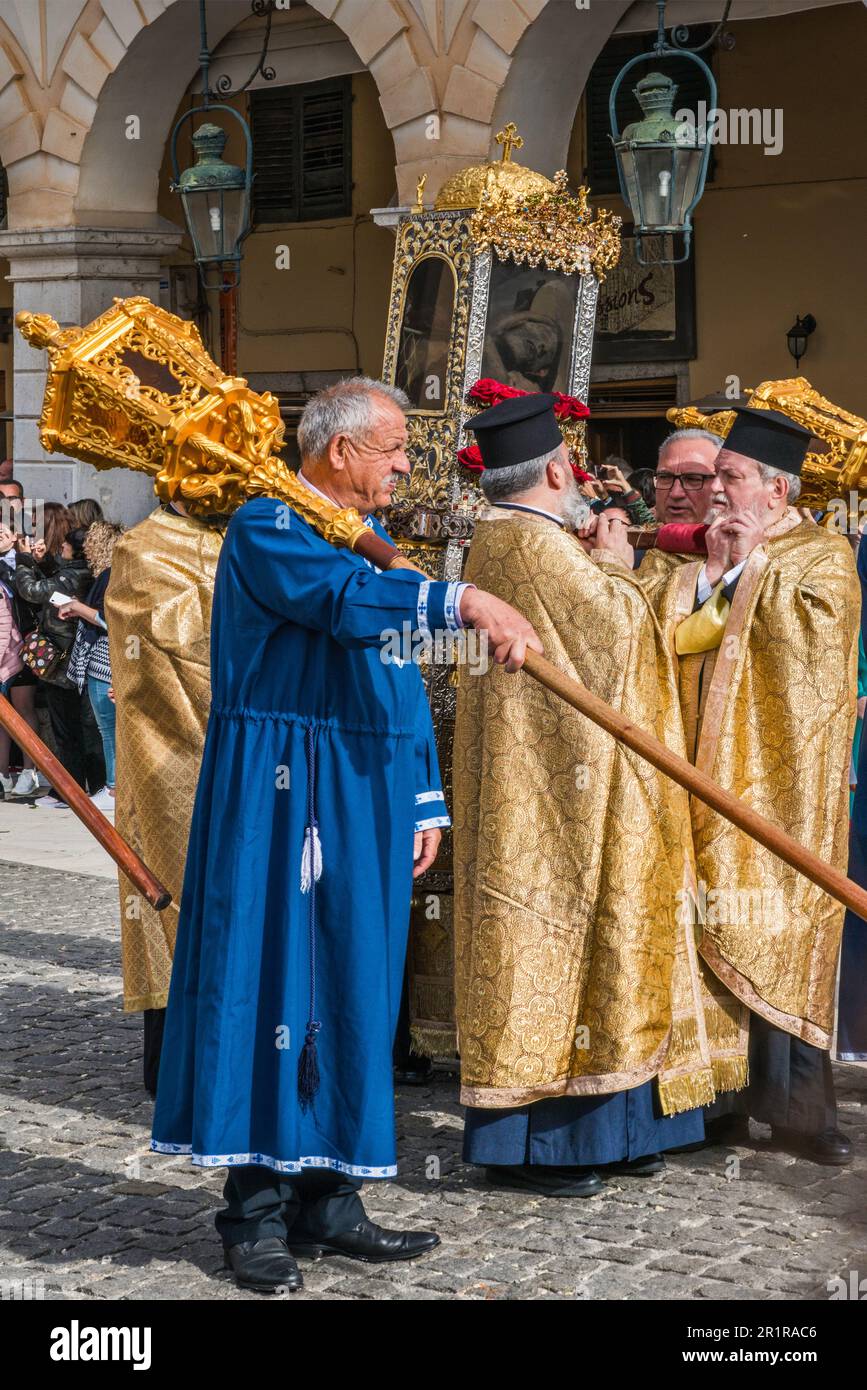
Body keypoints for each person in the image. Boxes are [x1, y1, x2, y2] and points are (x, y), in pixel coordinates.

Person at [151, 377, 539, 1293]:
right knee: (271, 973)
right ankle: (253, 1211)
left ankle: (331, 1198)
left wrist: (420, 794)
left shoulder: (371, 546)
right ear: (338, 451)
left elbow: (396, 673)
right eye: (394, 447)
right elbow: (340, 608)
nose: (407, 463)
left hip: (363, 781)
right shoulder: (268, 526)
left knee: (356, 978)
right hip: (278, 785)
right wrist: (462, 603)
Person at [452, 393, 713, 1200]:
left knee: (588, 945)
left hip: (558, 778)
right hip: (565, 792)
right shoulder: (539, 548)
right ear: (558, 471)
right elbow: (623, 640)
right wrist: (617, 567)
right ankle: (543, 1147)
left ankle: (617, 1129)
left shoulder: (498, 540)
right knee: (562, 946)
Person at [650, 406, 859, 1165]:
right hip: (703, 779)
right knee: (706, 928)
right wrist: (711, 574)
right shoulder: (704, 558)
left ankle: (806, 1114)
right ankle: (719, 1105)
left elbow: (813, 648)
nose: (712, 495)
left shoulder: (821, 555)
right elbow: (673, 640)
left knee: (787, 933)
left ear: (775, 491)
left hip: (784, 789)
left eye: (727, 480)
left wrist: (743, 571)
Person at [105, 497, 224, 1094]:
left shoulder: (242, 536)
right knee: (171, 898)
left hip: (243, 756)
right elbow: (165, 643)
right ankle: (175, 1071)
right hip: (170, 757)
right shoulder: (142, 548)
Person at [13, 506, 105, 805]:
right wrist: (45, 561)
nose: (59, 548)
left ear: (76, 551)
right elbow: (58, 581)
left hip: (64, 663)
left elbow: (33, 591)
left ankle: (69, 790)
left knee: (67, 728)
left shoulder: (73, 575)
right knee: (85, 728)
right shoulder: (83, 571)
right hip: (75, 660)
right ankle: (93, 785)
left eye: (63, 546)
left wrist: (24, 561)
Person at [62, 521, 124, 812]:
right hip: (105, 657)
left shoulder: (112, 575)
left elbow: (108, 619)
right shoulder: (110, 575)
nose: (85, 549)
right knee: (108, 728)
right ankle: (112, 786)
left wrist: (76, 607)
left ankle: (113, 789)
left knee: (108, 727)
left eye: (90, 543)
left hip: (104, 659)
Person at [636, 429, 723, 602]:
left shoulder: (747, 559)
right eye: (665, 477)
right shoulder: (631, 552)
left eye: (693, 478)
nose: (675, 493)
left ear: (722, 483)